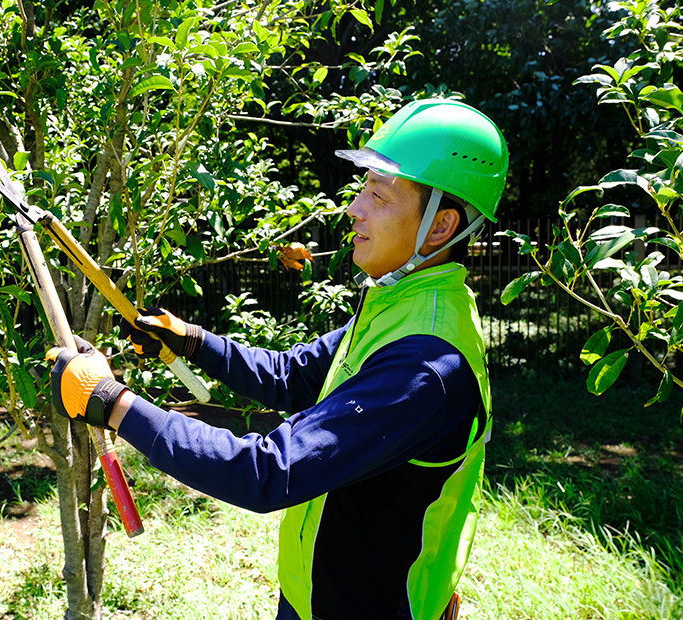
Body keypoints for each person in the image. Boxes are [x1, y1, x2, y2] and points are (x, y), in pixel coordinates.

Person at [46, 99, 509, 620]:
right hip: (321, 599)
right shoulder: (402, 307)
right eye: (363, 189)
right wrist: (192, 340)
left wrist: (112, 403)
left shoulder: (425, 363)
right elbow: (294, 375)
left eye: (378, 196)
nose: (354, 209)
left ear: (441, 226)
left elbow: (268, 472)